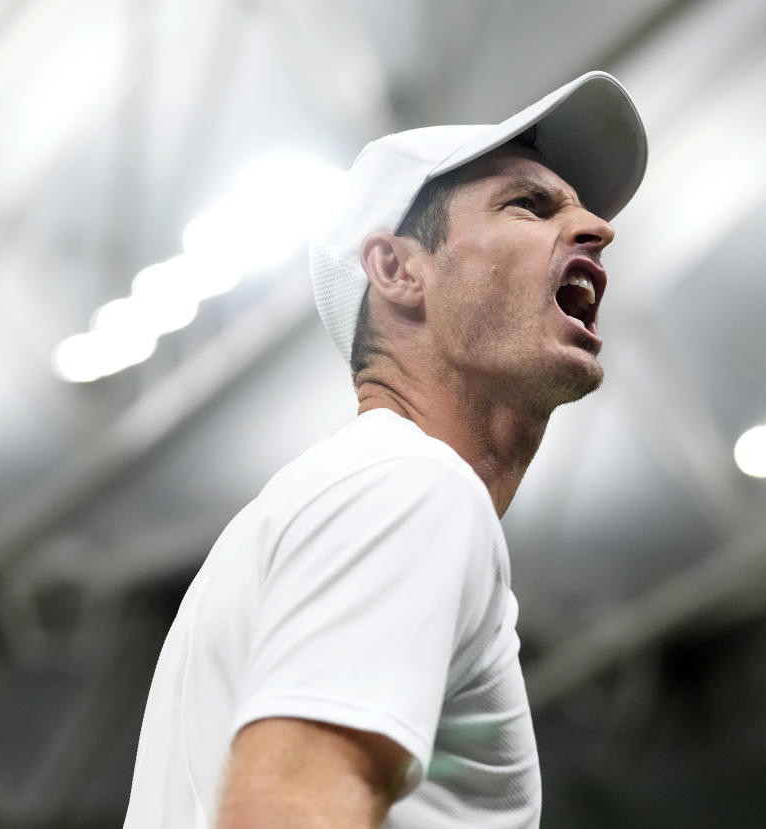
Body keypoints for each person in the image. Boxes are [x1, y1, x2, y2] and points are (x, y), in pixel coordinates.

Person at [124, 70, 647, 828]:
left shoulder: (339, 496)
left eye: (582, 209)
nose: (596, 228)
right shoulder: (414, 488)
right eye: (529, 205)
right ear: (398, 270)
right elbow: (287, 810)